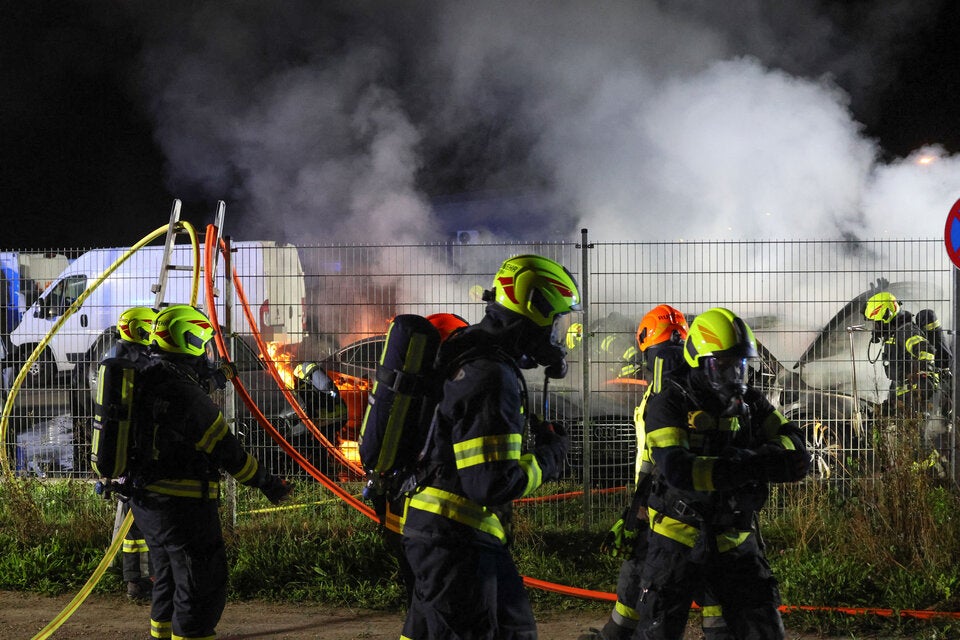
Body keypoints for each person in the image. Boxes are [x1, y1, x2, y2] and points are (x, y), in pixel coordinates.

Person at [400, 254, 580, 640]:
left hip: (445, 535)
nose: (559, 335)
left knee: (514, 629)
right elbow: (490, 484)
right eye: (558, 321)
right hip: (457, 542)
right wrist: (550, 457)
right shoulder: (492, 375)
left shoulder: (471, 350)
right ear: (536, 311)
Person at [632, 307, 811, 640]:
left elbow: (795, 442)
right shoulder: (668, 402)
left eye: (741, 366)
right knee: (658, 631)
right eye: (724, 366)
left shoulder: (751, 403)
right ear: (699, 362)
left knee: (762, 631)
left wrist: (776, 458)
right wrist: (760, 464)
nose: (735, 378)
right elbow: (679, 471)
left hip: (734, 537)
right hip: (677, 538)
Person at [127, 305, 292, 640]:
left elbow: (190, 382)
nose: (205, 352)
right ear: (189, 341)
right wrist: (269, 484)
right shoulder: (186, 396)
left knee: (168, 583)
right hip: (182, 510)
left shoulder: (147, 375)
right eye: (202, 344)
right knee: (200, 591)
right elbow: (230, 454)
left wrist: (221, 376)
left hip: (146, 505)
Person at [105, 306, 158, 602]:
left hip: (122, 454)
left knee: (133, 523)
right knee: (141, 521)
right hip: (138, 454)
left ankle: (135, 581)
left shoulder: (115, 358)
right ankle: (143, 580)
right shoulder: (138, 363)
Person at [864, 292, 938, 417]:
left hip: (919, 400)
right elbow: (899, 376)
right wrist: (888, 405)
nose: (875, 327)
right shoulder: (894, 335)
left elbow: (926, 350)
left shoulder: (906, 331)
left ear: (887, 316)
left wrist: (923, 379)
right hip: (905, 400)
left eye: (876, 322)